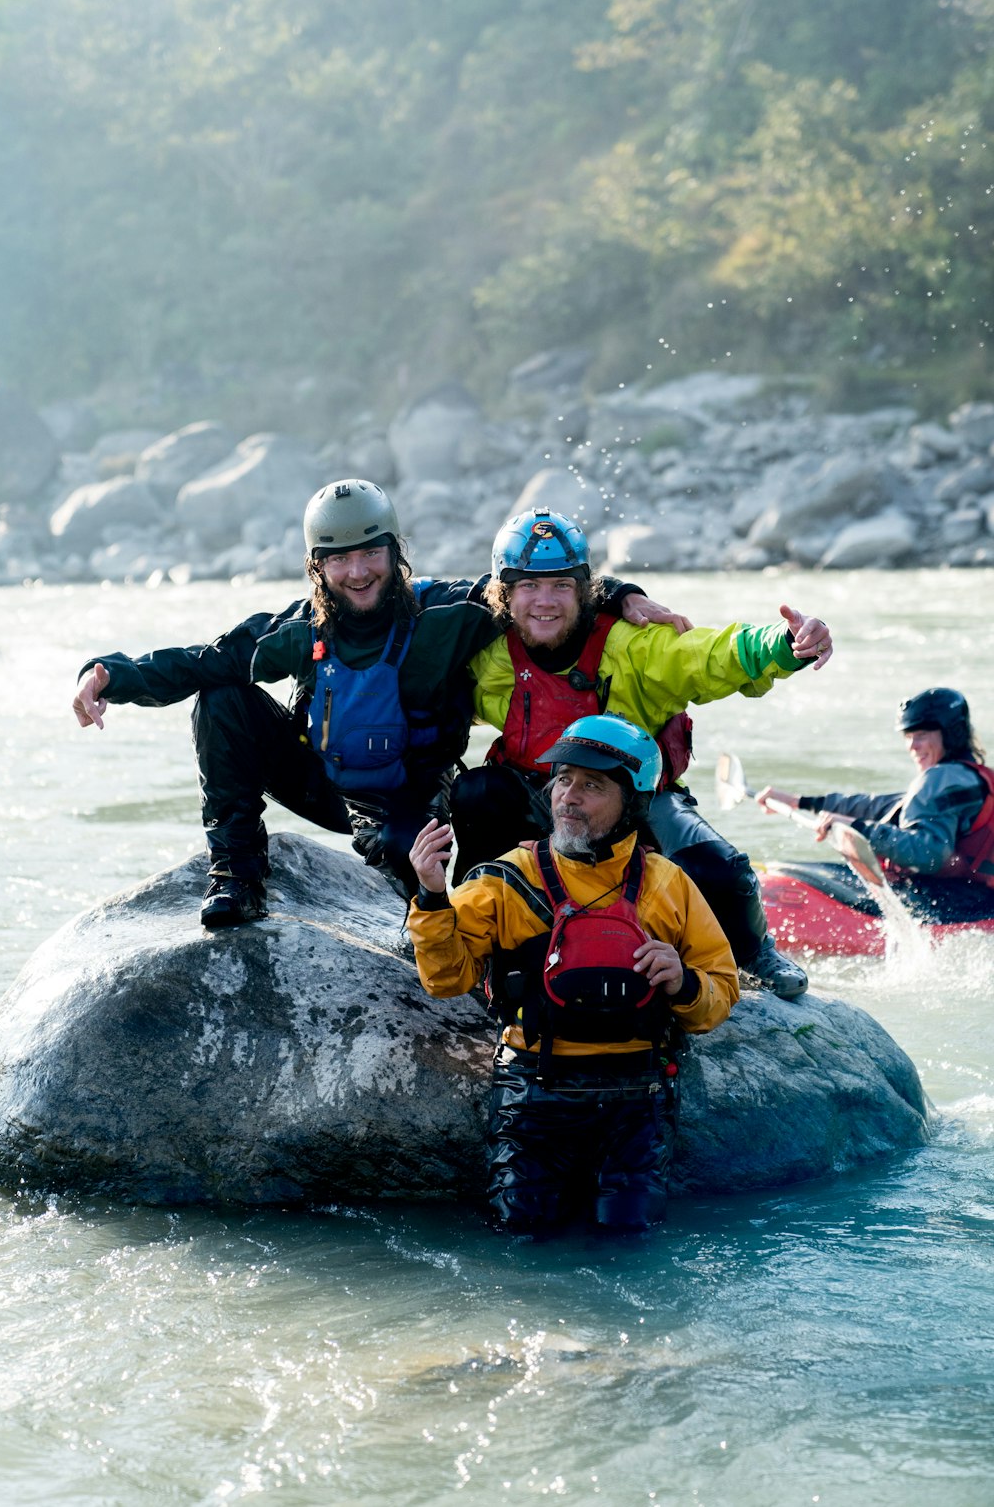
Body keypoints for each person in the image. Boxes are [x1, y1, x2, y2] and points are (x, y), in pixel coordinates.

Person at [72, 480, 678, 927]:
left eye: (370, 552)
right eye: (338, 557)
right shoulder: (298, 629)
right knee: (222, 698)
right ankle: (237, 872)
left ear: (395, 550)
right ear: (317, 565)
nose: (357, 571)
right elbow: (201, 661)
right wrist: (105, 677)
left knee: (419, 891)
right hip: (327, 783)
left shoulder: (448, 611)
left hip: (414, 794)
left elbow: (539, 590)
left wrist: (623, 594)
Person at [448, 508, 835, 1000]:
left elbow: (707, 654)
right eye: (528, 586)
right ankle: (472, 933)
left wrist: (783, 645)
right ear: (505, 594)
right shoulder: (486, 651)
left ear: (584, 590)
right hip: (539, 800)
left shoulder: (633, 644)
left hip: (635, 798)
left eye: (561, 586)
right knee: (477, 792)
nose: (544, 602)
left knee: (718, 869)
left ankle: (752, 950)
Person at [408, 713, 739, 1234]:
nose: (569, 796)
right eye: (563, 779)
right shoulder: (507, 877)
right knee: (522, 1233)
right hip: (534, 1091)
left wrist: (684, 981)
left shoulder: (668, 883)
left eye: (593, 784)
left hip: (639, 1096)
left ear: (632, 801)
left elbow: (720, 991)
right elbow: (446, 980)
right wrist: (431, 894)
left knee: (631, 1238)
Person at [757, 687, 994, 909]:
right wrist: (802, 802)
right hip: (978, 893)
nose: (912, 745)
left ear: (951, 734)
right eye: (908, 736)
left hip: (959, 903)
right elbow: (881, 806)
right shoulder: (970, 776)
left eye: (921, 734)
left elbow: (928, 855)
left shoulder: (938, 778)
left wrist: (857, 829)